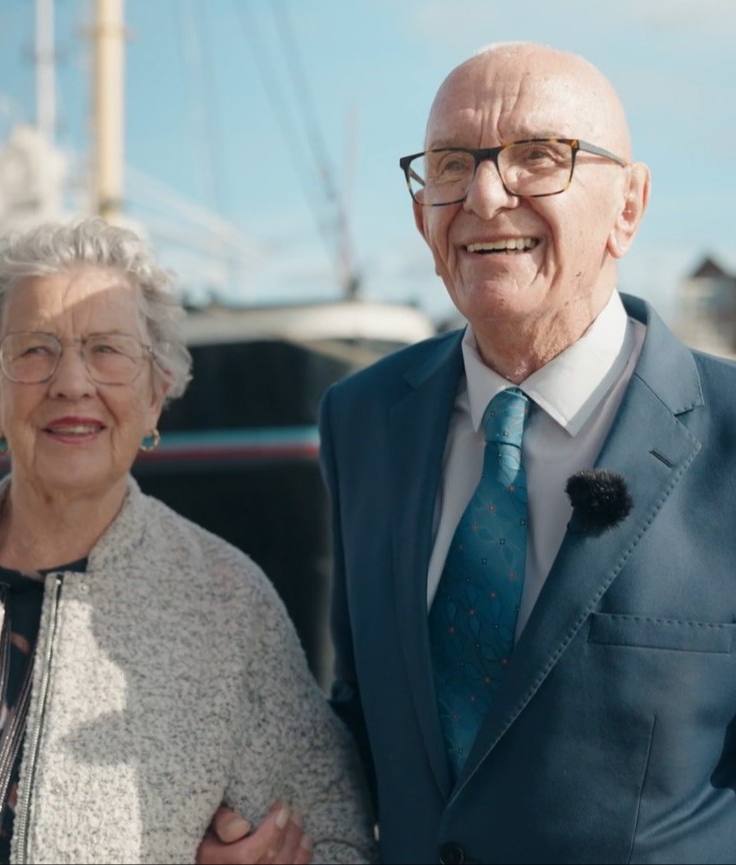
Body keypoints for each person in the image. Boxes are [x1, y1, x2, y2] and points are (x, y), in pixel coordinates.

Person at [203, 41, 736, 864]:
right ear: (422, 210)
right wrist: (273, 832)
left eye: (536, 156)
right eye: (451, 164)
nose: (485, 195)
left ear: (628, 207)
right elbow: (370, 712)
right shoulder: (364, 419)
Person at [0, 217, 376, 864]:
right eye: (34, 349)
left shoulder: (229, 608)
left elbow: (338, 836)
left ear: (156, 392)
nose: (71, 382)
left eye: (107, 349)